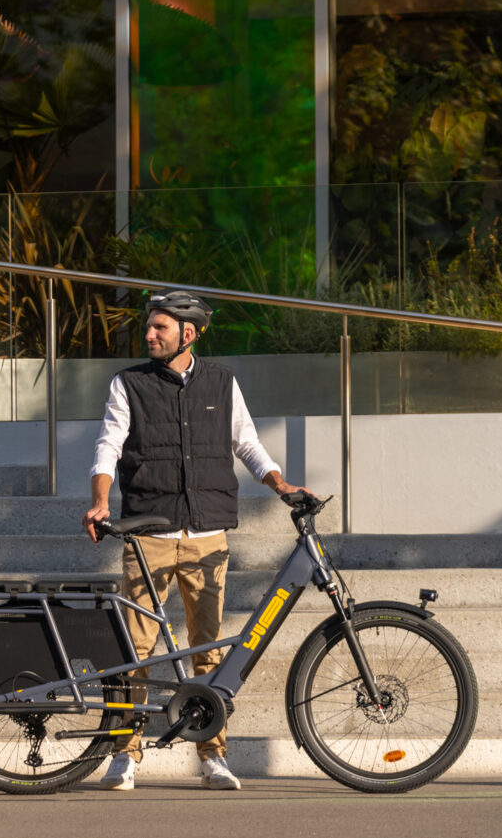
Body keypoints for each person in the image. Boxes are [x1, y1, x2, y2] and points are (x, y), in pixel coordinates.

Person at [82, 292, 311, 792]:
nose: (149, 335)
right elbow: (108, 444)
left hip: (207, 536)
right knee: (136, 649)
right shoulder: (130, 384)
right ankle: (124, 754)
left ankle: (213, 755)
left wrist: (280, 485)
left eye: (160, 327)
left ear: (189, 333)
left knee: (208, 650)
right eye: (149, 327)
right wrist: (101, 499)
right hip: (149, 534)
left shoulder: (222, 382)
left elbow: (246, 442)